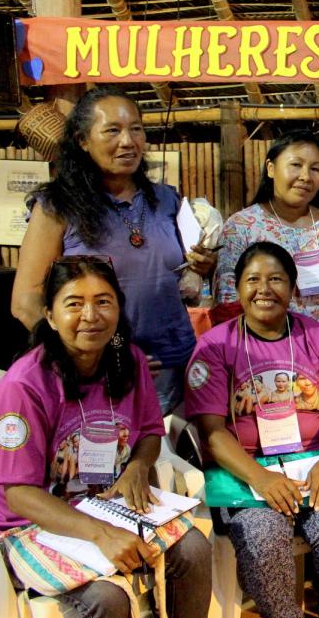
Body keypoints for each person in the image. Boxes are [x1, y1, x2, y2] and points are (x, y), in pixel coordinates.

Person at [0, 256, 211, 618]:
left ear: (119, 308)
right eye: (74, 304)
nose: (90, 316)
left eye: (103, 301)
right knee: (107, 598)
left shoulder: (129, 360)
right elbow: (18, 494)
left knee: (194, 549)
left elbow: (150, 433)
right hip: (29, 526)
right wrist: (100, 535)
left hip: (106, 506)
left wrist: (139, 467)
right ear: (50, 316)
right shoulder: (24, 385)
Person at [187, 242, 319, 618]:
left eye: (276, 279)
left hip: (312, 463)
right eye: (252, 280)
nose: (264, 289)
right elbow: (211, 432)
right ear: (237, 289)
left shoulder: (318, 337)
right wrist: (260, 478)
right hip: (247, 474)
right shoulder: (215, 345)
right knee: (263, 536)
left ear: (293, 287)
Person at [12, 87, 217, 415]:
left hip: (174, 368)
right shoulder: (57, 207)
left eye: (136, 128)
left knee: (174, 464)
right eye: (112, 130)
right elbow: (26, 302)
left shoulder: (167, 200)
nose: (128, 141)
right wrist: (92, 356)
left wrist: (201, 267)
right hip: (98, 376)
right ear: (82, 140)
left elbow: (172, 278)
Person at [214, 132, 319, 362]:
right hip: (258, 360)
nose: (306, 176)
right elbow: (228, 308)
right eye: (296, 165)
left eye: (315, 169)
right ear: (271, 168)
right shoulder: (241, 226)